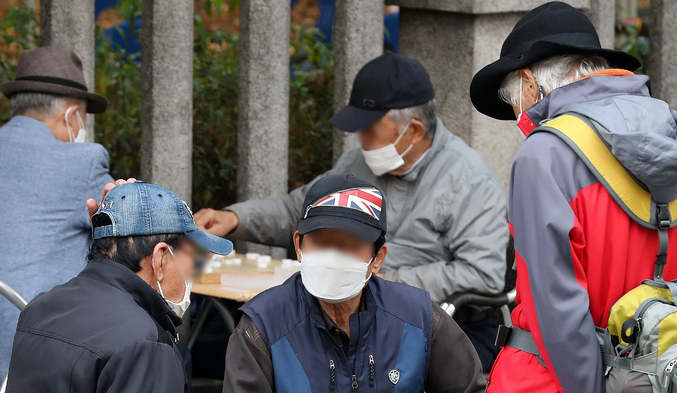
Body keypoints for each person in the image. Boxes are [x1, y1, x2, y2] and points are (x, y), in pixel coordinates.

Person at [469, 2, 677, 393]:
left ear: (530, 84)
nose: (519, 116)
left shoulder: (546, 154)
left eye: (513, 102)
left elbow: (559, 314)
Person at [195, 53, 509, 371]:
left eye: (370, 130)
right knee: (229, 345)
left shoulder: (469, 179)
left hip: (437, 324)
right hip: (343, 310)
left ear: (414, 131)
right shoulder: (358, 162)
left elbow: (483, 274)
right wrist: (236, 219)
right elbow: (299, 210)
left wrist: (387, 283)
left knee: (284, 360)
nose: (362, 140)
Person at [220, 174, 485, 393]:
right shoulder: (262, 326)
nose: (334, 257)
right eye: (322, 243)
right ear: (298, 246)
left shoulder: (418, 317)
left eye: (349, 247)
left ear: (378, 258)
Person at [0, 181, 233, 393]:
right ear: (161, 257)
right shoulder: (144, 342)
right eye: (195, 258)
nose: (194, 274)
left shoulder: (42, 306)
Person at [0, 45, 113, 393]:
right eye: (83, 119)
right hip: (28, 359)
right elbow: (124, 230)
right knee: (166, 353)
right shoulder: (82, 161)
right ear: (71, 115)